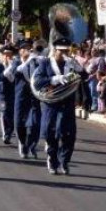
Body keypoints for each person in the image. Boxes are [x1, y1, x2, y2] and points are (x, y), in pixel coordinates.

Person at [33, 38, 86, 175]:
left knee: (68, 134)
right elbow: (37, 82)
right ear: (55, 50)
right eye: (61, 51)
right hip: (51, 103)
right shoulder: (45, 63)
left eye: (66, 51)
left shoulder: (71, 63)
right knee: (51, 133)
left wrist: (80, 69)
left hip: (67, 103)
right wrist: (53, 79)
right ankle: (52, 159)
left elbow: (84, 77)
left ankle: (65, 161)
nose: (64, 54)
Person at [0, 44, 17, 144]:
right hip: (3, 92)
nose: (7, 56)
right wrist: (8, 69)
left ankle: (9, 132)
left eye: (10, 54)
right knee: (4, 111)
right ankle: (5, 134)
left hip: (13, 92)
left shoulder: (15, 66)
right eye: (5, 54)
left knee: (12, 113)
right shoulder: (0, 65)